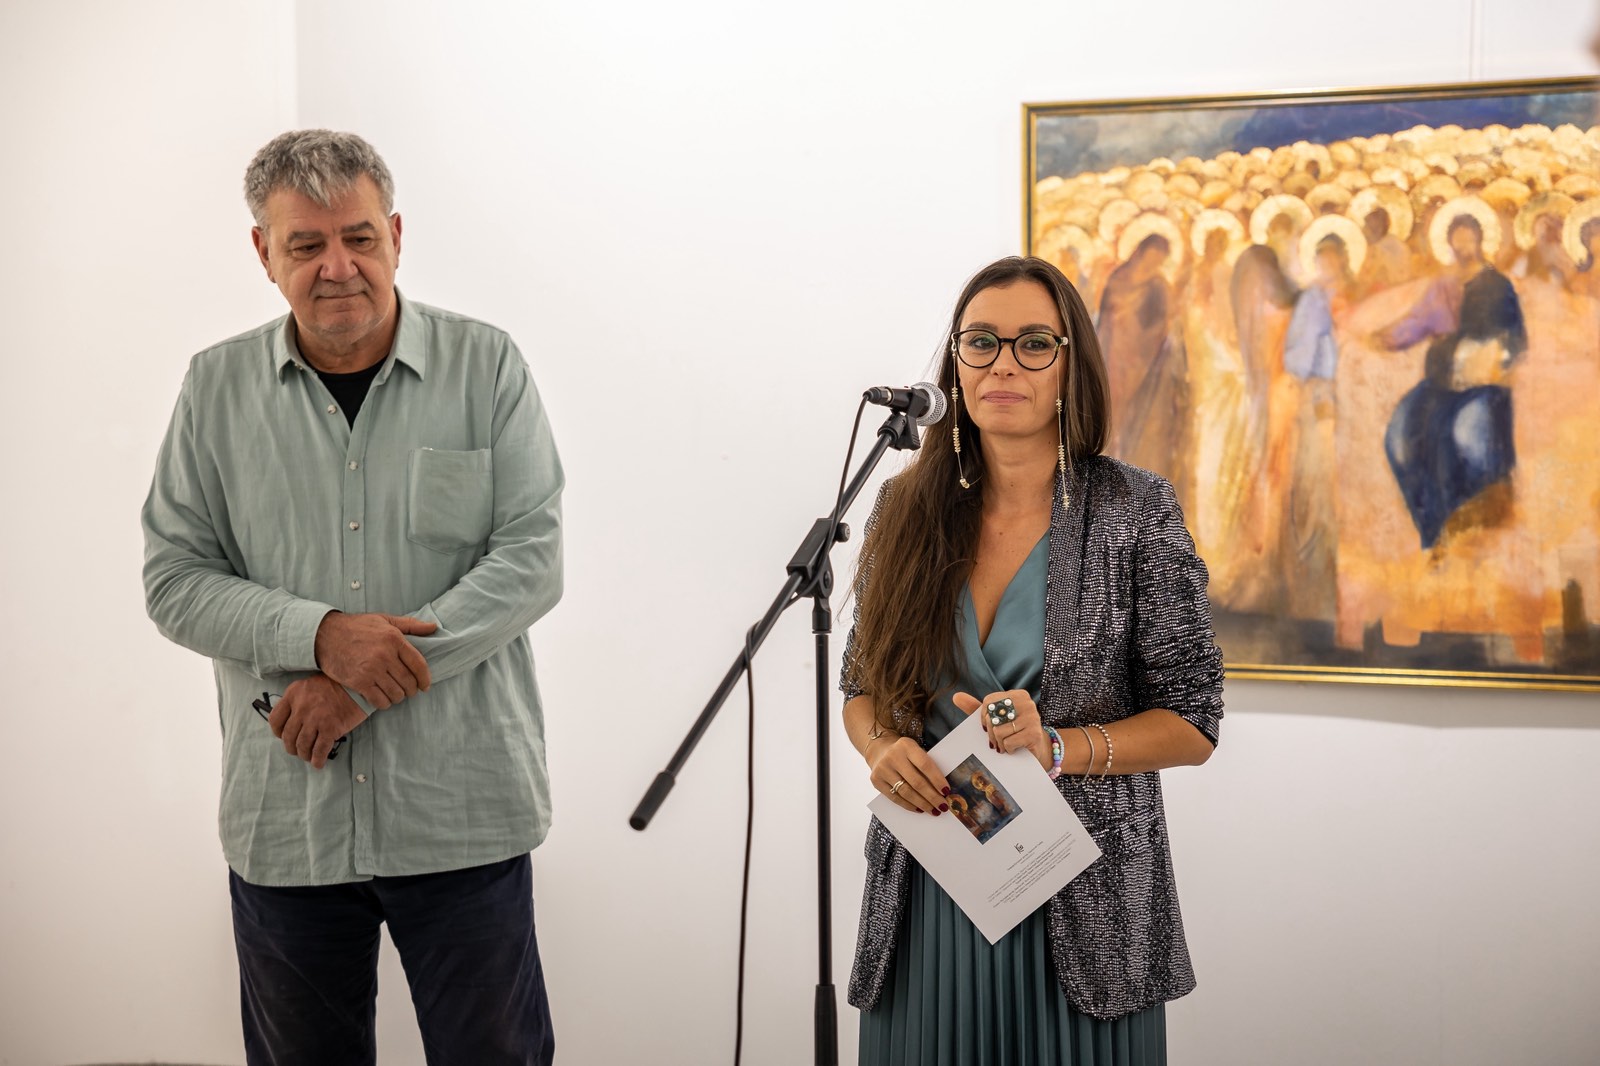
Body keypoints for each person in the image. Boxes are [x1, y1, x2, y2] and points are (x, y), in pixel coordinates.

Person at [141, 130, 563, 1065]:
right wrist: (320, 635)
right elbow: (174, 578)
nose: (338, 267)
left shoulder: (488, 366)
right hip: (287, 820)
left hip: (463, 813)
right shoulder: (214, 389)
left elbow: (531, 561)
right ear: (264, 253)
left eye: (359, 238)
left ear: (396, 237)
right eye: (306, 244)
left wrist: (357, 686)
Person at [841, 256, 1224, 1064]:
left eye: (1033, 343)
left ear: (1069, 366)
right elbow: (862, 688)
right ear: (955, 361)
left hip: (1082, 904)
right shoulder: (903, 508)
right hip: (931, 893)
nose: (1003, 364)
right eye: (980, 342)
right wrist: (880, 749)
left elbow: (1193, 723)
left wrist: (1057, 747)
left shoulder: (1134, 510)